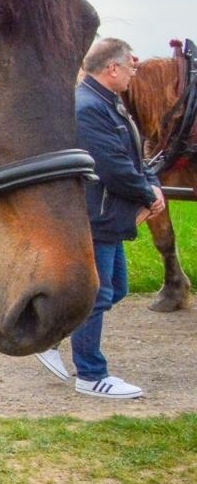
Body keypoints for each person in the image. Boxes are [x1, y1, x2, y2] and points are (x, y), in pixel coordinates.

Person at [36, 39, 163, 398]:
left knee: (115, 289)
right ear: (112, 69)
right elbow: (111, 166)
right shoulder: (89, 107)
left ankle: (49, 338)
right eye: (130, 67)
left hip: (110, 214)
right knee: (99, 293)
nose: (134, 72)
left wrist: (152, 186)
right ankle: (91, 374)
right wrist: (145, 193)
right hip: (98, 214)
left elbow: (135, 157)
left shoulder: (110, 103)